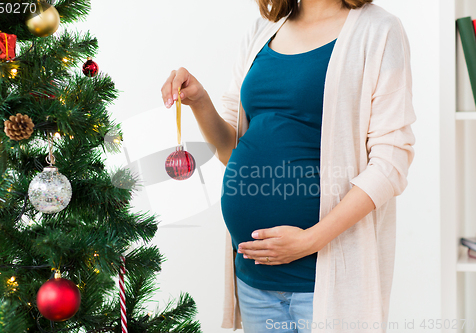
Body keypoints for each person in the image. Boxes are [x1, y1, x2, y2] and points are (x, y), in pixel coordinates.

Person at [161, 0, 416, 332]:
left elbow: (391, 163)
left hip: (323, 284)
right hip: (254, 281)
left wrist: (310, 240)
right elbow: (231, 150)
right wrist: (199, 100)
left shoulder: (378, 30)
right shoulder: (262, 31)